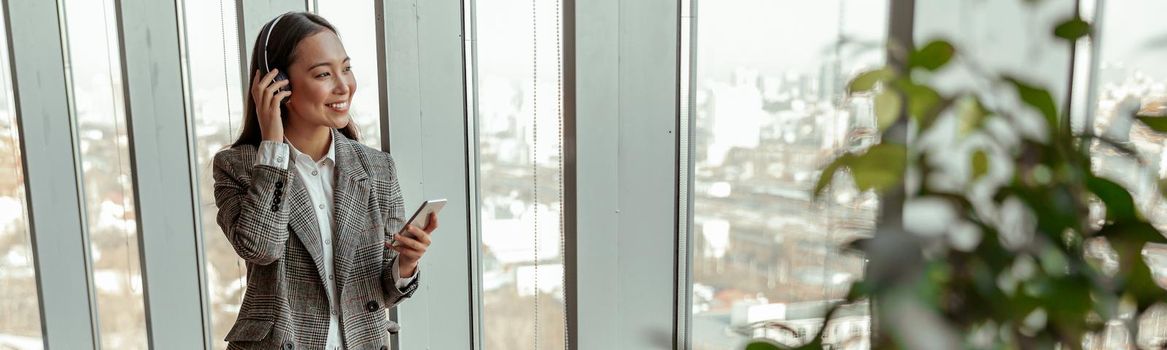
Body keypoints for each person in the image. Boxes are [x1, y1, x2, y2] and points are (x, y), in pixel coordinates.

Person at [212, 11, 436, 349]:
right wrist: (273, 150)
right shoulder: (238, 166)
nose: (343, 85)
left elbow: (381, 293)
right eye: (323, 74)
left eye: (346, 68)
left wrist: (406, 263)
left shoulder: (377, 168)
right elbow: (261, 248)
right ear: (278, 84)